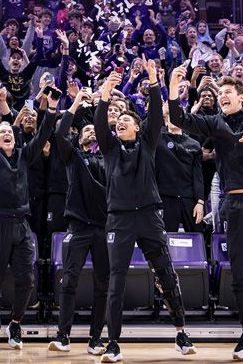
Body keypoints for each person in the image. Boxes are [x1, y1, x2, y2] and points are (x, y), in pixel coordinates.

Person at [169, 69, 243, 363]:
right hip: (234, 203)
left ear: (241, 97)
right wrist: (172, 88)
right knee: (239, 272)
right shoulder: (216, 122)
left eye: (227, 93)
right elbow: (180, 119)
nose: (222, 97)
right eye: (219, 95)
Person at [97, 62, 195, 363]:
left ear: (138, 127)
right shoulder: (110, 148)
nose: (120, 123)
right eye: (119, 121)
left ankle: (181, 331)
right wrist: (104, 93)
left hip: (151, 216)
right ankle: (112, 342)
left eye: (127, 119)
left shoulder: (149, 143)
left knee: (166, 273)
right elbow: (101, 122)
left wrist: (154, 81)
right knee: (116, 280)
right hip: (120, 219)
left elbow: (155, 114)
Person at [0, 82, 52, 351]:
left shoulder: (24, 155)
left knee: (27, 279)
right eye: (2, 131)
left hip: (21, 223)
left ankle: (15, 323)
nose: (6, 133)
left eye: (9, 131)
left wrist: (50, 110)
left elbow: (41, 137)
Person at [49, 89, 110, 355]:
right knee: (69, 280)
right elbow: (61, 133)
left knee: (103, 285)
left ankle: (96, 338)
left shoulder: (109, 157)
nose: (90, 132)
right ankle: (63, 336)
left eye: (93, 130)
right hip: (77, 227)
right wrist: (76, 102)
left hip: (105, 227)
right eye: (85, 130)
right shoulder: (73, 156)